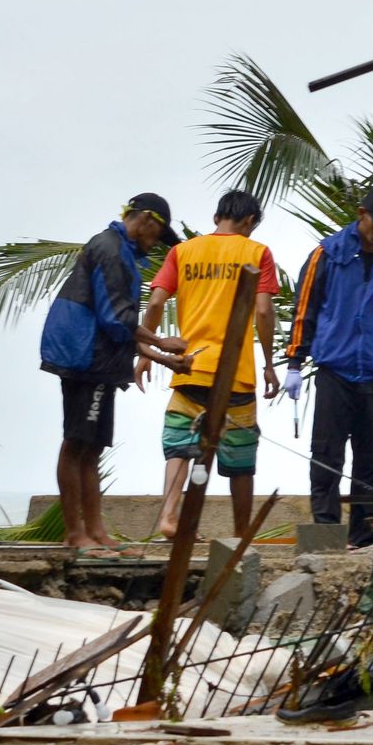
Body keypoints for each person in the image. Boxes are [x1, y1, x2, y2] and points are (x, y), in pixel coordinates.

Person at [39, 194, 192, 556]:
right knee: (76, 444)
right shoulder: (110, 250)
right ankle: (76, 534)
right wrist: (161, 343)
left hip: (99, 358)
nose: (155, 244)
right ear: (147, 221)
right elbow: (116, 318)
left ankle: (96, 531)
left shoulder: (120, 251)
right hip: (85, 357)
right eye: (157, 235)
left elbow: (117, 326)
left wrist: (163, 358)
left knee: (91, 447)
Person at [283, 184, 373, 548]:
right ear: (361, 214)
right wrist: (295, 362)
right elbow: (305, 310)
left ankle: (362, 535)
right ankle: (326, 530)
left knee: (371, 458)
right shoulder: (327, 255)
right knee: (327, 454)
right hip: (335, 371)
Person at [138, 190, 281, 540]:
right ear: (249, 222)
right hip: (236, 373)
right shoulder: (257, 252)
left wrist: (145, 349)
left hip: (190, 366)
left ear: (218, 217)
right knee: (240, 458)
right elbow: (263, 311)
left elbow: (155, 303)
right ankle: (241, 532)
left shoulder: (182, 252)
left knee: (179, 446)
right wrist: (268, 363)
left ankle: (169, 517)